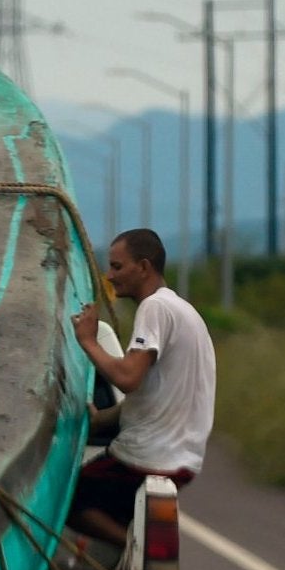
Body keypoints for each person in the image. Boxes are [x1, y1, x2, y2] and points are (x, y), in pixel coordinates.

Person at [66, 227, 217, 546]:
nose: (109, 276)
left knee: (68, 499)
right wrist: (101, 419)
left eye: (117, 267)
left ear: (145, 267)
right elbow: (153, 397)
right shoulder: (180, 310)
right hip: (182, 458)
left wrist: (88, 342)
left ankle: (136, 552)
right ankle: (136, 551)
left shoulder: (155, 308)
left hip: (150, 457)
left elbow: (128, 379)